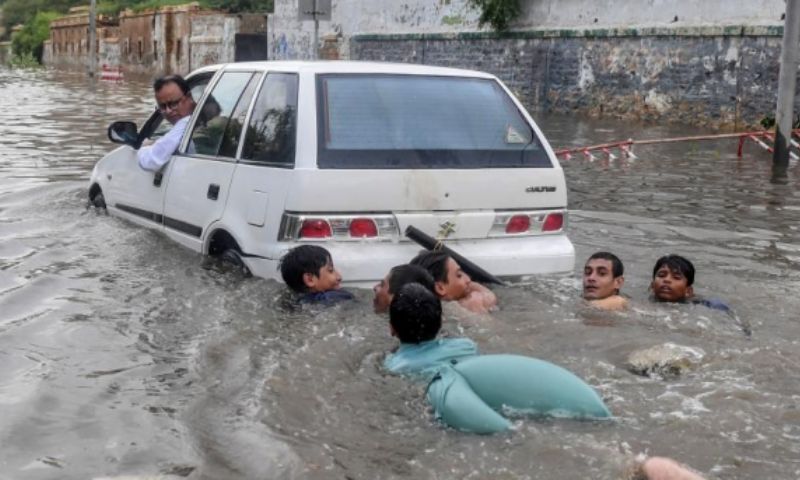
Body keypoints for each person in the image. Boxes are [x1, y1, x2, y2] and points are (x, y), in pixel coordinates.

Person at [137, 75, 196, 171]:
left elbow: (150, 160)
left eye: (174, 103)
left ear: (189, 97)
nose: (168, 111)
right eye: (163, 107)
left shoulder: (186, 123)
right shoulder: (201, 119)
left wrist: (144, 147)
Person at [409, 251, 497, 314]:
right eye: (459, 275)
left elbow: (489, 296)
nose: (468, 279)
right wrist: (476, 312)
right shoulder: (453, 310)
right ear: (440, 288)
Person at [650, 255, 729, 312]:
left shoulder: (705, 307)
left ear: (688, 291)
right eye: (661, 275)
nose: (667, 280)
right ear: (652, 286)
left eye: (676, 277)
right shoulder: (642, 306)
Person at [279, 245, 354, 305]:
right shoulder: (333, 298)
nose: (339, 277)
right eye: (330, 270)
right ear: (310, 279)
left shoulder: (293, 300)